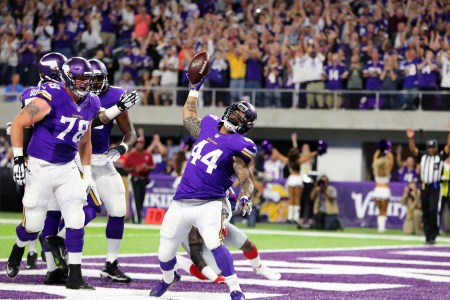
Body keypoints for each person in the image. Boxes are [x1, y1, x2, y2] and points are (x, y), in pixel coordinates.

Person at [149, 72, 257, 300]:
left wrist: (246, 196)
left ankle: (235, 288)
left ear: (245, 127)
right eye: (234, 113)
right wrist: (193, 89)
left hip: (210, 202)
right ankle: (168, 279)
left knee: (213, 242)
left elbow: (246, 178)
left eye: (241, 118)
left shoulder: (240, 145)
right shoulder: (208, 125)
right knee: (165, 251)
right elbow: (189, 118)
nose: (235, 118)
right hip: (180, 202)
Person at [6, 57, 100, 290]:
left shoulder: (92, 102)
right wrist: (18, 158)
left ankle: (75, 276)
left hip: (67, 166)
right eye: (79, 79)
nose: (84, 84)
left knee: (76, 217)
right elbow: (18, 124)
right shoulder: (52, 96)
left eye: (86, 79)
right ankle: (18, 248)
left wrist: (86, 173)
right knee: (33, 226)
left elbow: (86, 141)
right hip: (40, 166)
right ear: (67, 78)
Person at [45, 59, 137, 283]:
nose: (91, 83)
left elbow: (130, 131)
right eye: (88, 78)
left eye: (96, 78)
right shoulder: (73, 94)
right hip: (76, 159)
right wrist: (118, 108)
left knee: (118, 209)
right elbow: (91, 122)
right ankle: (57, 242)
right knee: (90, 208)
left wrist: (122, 148)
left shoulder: (114, 94)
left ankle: (111, 264)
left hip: (103, 160)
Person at [177, 188, 281, 282]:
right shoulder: (195, 218)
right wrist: (215, 278)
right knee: (209, 273)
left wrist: (223, 223)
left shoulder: (225, 197)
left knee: (247, 244)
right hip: (195, 234)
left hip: (216, 227)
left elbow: (232, 207)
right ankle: (177, 260)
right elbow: (196, 255)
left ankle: (258, 267)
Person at [407, 127, 450, 244]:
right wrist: (411, 138)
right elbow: (413, 150)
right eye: (429, 147)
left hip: (435, 187)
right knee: (425, 212)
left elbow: (448, 147)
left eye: (433, 147)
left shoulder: (440, 157)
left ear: (436, 148)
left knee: (433, 210)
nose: (431, 149)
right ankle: (427, 236)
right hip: (424, 187)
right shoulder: (423, 156)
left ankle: (434, 233)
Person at [124, 136, 154, 224]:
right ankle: (138, 220)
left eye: (140, 143)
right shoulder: (132, 155)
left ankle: (135, 217)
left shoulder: (147, 155)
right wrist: (134, 168)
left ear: (143, 144)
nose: (139, 145)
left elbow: (152, 165)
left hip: (144, 179)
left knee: (141, 199)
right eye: (137, 143)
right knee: (136, 199)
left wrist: (147, 167)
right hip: (135, 179)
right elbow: (125, 168)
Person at [372, 140, 394, 233]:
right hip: (384, 191)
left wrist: (379, 149)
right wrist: (387, 150)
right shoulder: (387, 171)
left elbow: (375, 158)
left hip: (377, 191)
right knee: (384, 210)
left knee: (379, 210)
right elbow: (391, 160)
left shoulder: (376, 170)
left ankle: (380, 227)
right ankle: (382, 227)